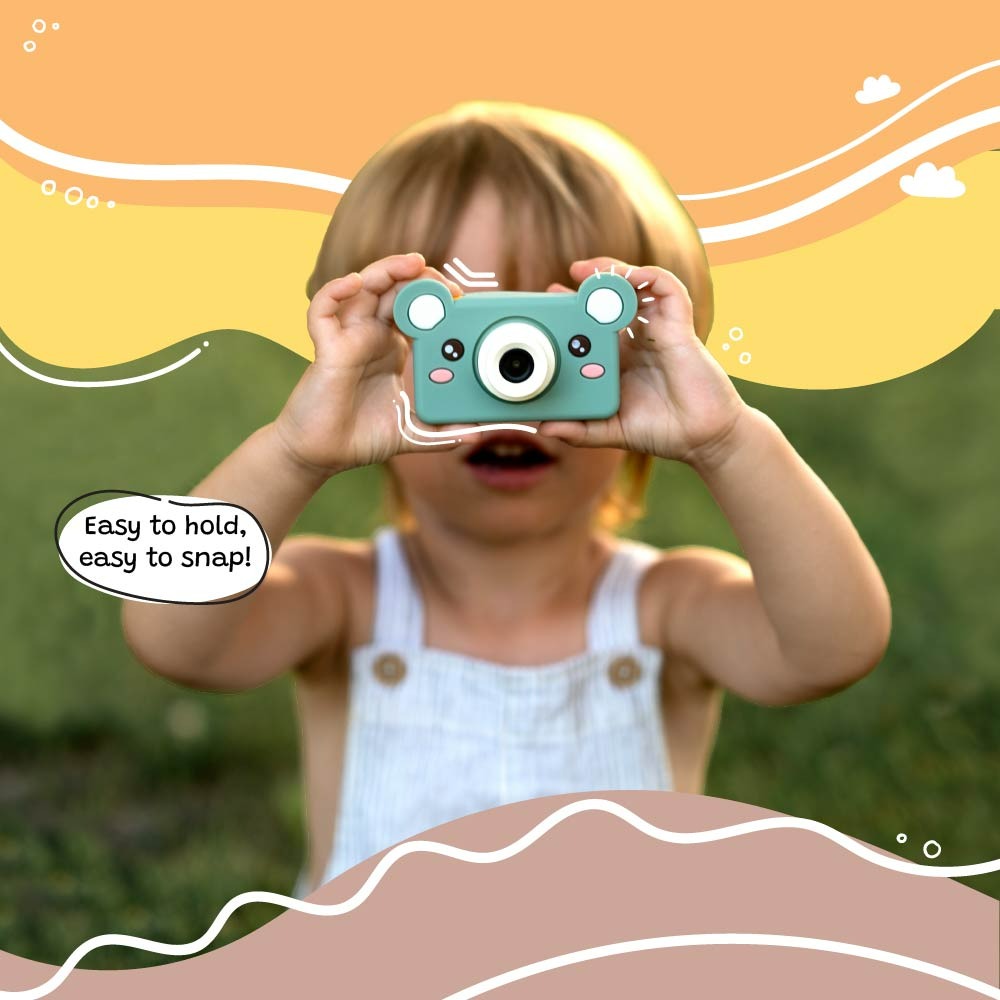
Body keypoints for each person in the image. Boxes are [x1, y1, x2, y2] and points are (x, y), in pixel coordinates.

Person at [120, 102, 892, 896]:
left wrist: (728, 440)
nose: (513, 381)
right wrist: (294, 451)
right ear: (373, 354)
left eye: (563, 335)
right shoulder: (347, 601)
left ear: (645, 358)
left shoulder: (666, 607)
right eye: (459, 334)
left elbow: (832, 649)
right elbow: (175, 637)